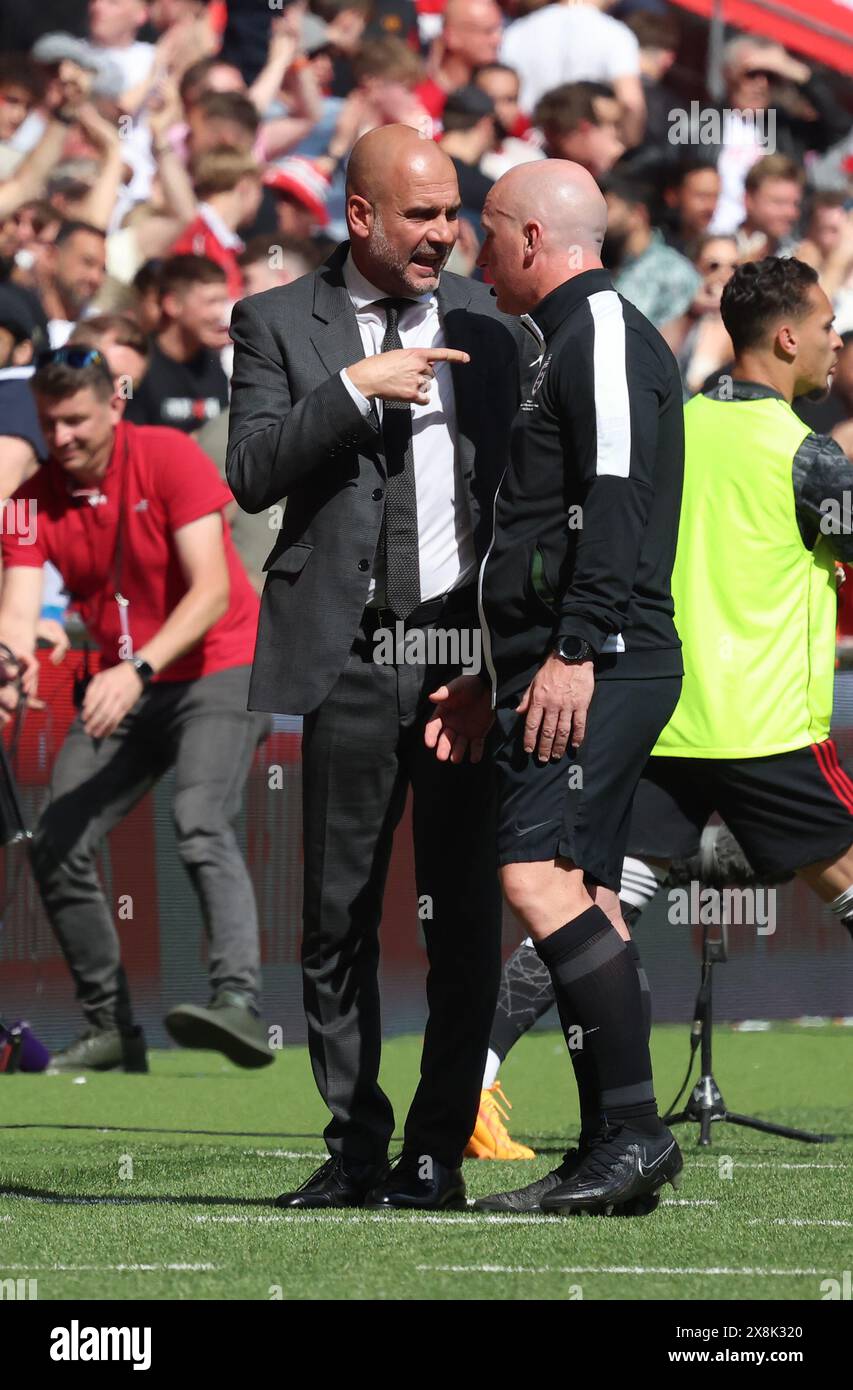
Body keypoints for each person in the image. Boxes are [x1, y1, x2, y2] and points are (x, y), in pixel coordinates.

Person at [226, 123, 528, 1211]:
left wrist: (508, 655)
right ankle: (355, 1147)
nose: (445, 234)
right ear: (359, 217)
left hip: (460, 658)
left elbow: (529, 493)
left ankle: (437, 1149)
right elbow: (253, 471)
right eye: (423, 215)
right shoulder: (271, 320)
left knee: (462, 919)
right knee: (336, 917)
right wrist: (354, 389)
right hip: (346, 657)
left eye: (453, 212)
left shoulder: (494, 328)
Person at [473, 158, 686, 1215]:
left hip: (602, 655)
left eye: (485, 231)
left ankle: (637, 1133)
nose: (475, 254)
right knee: (588, 893)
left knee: (535, 879)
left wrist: (576, 646)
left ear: (527, 238)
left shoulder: (597, 327)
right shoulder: (564, 336)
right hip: (580, 650)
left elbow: (611, 493)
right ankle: (614, 1141)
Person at [0, 345, 272, 1072]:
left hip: (221, 664)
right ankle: (113, 1031)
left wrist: (137, 667)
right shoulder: (29, 503)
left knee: (198, 818)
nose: (61, 439)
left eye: (78, 421)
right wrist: (10, 661)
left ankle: (237, 1003)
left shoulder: (170, 457)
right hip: (127, 683)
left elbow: (212, 590)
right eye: (50, 423)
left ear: (115, 405)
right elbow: (19, 614)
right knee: (55, 838)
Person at [501, 0, 645, 144]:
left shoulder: (517, 31)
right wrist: (628, 151)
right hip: (587, 145)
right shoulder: (615, 34)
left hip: (529, 143)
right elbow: (631, 103)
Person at [123, 253, 230, 433]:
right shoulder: (136, 363)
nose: (219, 314)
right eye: (211, 302)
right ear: (172, 305)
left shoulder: (213, 366)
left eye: (223, 301)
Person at [533, 82, 624, 180]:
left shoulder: (626, 169)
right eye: (607, 124)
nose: (615, 134)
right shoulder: (537, 166)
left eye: (616, 125)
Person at [40, 219, 107, 347]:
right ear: (52, 257)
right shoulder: (20, 316)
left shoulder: (101, 332)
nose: (96, 278)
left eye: (103, 269)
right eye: (87, 263)